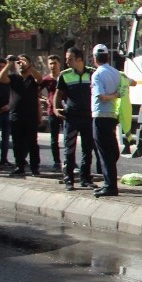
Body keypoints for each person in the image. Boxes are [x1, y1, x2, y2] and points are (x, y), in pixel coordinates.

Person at [55, 47, 97, 191]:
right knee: (69, 150)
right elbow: (58, 94)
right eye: (66, 58)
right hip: (71, 117)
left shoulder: (92, 73)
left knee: (87, 149)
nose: (66, 61)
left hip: (88, 117)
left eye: (70, 59)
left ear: (79, 60)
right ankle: (69, 180)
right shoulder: (65, 75)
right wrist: (56, 108)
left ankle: (85, 179)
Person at [0, 54, 42, 177]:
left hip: (30, 116)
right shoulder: (14, 78)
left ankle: (34, 167)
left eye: (24, 61)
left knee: (32, 142)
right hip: (16, 116)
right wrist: (9, 63)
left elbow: (40, 79)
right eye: (20, 62)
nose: (21, 64)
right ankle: (20, 166)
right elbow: (1, 78)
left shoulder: (32, 79)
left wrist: (30, 67)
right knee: (17, 143)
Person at [90, 44, 122, 197]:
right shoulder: (116, 73)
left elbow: (101, 96)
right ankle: (110, 182)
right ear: (108, 57)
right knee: (112, 151)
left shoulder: (97, 75)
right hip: (112, 116)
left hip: (100, 116)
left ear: (95, 58)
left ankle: (110, 185)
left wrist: (113, 95)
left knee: (104, 153)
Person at [41, 54, 63, 172]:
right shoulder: (46, 79)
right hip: (52, 111)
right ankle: (56, 162)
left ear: (59, 64)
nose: (53, 66)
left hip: (65, 111)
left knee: (68, 138)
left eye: (55, 63)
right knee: (54, 139)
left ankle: (70, 161)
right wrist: (45, 99)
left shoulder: (64, 76)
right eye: (50, 63)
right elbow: (37, 90)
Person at [0, 57, 10, 168]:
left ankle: (4, 159)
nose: (1, 70)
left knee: (6, 138)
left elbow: (14, 96)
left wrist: (9, 106)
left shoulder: (8, 81)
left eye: (4, 67)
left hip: (6, 112)